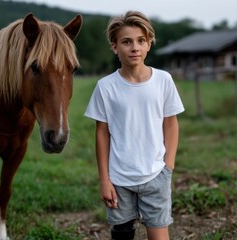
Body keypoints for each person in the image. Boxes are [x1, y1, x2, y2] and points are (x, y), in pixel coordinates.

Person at [84, 11, 185, 240]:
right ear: (114, 47)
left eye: (141, 41)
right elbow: (102, 133)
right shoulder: (105, 87)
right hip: (119, 179)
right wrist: (104, 179)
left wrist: (168, 165)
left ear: (149, 44)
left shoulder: (163, 80)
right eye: (126, 42)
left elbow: (170, 122)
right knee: (122, 235)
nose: (134, 47)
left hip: (156, 174)